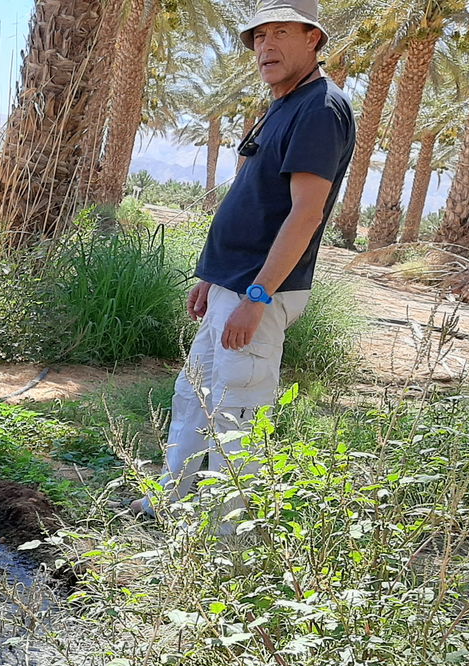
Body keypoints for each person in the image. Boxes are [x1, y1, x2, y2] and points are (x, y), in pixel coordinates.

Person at [133, 0, 355, 521]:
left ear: (313, 40)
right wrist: (213, 278)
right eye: (259, 36)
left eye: (282, 32)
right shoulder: (285, 104)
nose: (266, 46)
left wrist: (258, 295)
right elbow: (253, 200)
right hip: (232, 285)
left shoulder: (321, 109)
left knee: (237, 414)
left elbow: (305, 213)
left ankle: (231, 540)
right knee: (196, 397)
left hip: (261, 291)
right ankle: (172, 501)